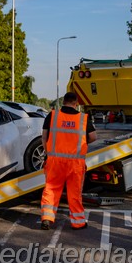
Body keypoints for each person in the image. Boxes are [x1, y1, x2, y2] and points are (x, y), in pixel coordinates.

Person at [40, 92, 97, 230]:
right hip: (75, 163)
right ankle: (78, 222)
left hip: (55, 161)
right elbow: (93, 137)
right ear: (76, 103)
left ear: (64, 101)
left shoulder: (52, 116)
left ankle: (47, 218)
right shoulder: (83, 119)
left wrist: (48, 154)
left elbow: (44, 137)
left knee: (51, 189)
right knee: (74, 193)